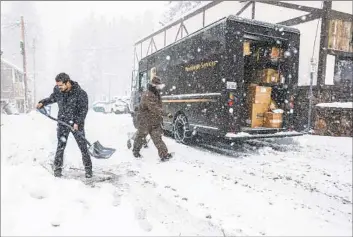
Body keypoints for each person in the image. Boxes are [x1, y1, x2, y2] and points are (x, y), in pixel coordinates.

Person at [36, 72, 92, 178]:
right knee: (60, 146)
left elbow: (83, 110)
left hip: (76, 124)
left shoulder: (81, 94)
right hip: (62, 122)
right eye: (58, 85)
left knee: (83, 147)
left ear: (68, 83)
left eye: (61, 85)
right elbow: (52, 98)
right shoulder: (58, 90)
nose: (59, 87)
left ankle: (88, 169)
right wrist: (42, 102)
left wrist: (77, 123)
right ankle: (57, 169)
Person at [132, 76, 173, 162]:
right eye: (158, 86)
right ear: (154, 85)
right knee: (140, 137)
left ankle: (164, 155)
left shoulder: (155, 93)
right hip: (145, 121)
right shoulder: (148, 94)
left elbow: (157, 107)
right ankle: (135, 152)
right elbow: (154, 108)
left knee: (157, 138)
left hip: (154, 121)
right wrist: (166, 113)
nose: (160, 87)